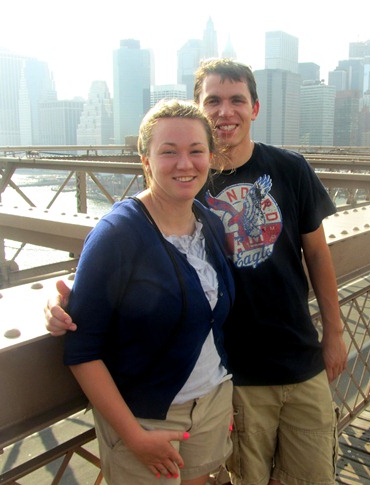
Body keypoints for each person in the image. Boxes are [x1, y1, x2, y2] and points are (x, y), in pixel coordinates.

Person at [46, 59, 347, 485]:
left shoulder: (269, 180)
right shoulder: (181, 189)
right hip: (231, 378)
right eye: (214, 101)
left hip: (288, 363)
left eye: (237, 100)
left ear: (255, 108)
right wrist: (64, 297)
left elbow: (317, 254)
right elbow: (128, 247)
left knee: (313, 476)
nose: (226, 112)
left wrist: (333, 332)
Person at [53, 99, 235, 485]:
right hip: (145, 418)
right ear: (145, 160)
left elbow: (211, 316)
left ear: (210, 157)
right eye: (168, 152)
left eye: (196, 151)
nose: (184, 164)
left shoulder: (210, 224)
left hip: (212, 402)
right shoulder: (117, 235)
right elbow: (82, 350)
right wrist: (134, 437)